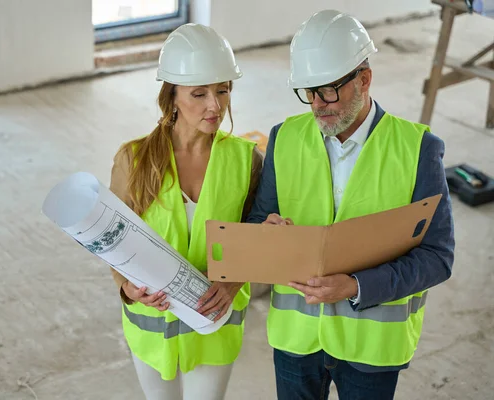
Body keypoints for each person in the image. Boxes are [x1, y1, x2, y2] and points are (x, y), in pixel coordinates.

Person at [246, 10, 455, 400]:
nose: (317, 105)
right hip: (296, 344)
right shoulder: (284, 138)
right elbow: (259, 219)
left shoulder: (418, 149)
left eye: (328, 90)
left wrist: (356, 286)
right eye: (309, 92)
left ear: (364, 79)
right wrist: (266, 234)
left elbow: (437, 257)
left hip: (370, 351)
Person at [108, 23, 263, 400]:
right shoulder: (134, 160)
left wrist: (234, 282)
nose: (215, 105)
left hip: (215, 325)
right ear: (172, 96)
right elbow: (110, 241)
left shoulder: (247, 161)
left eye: (223, 90)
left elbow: (258, 236)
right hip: (152, 329)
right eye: (199, 94)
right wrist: (127, 288)